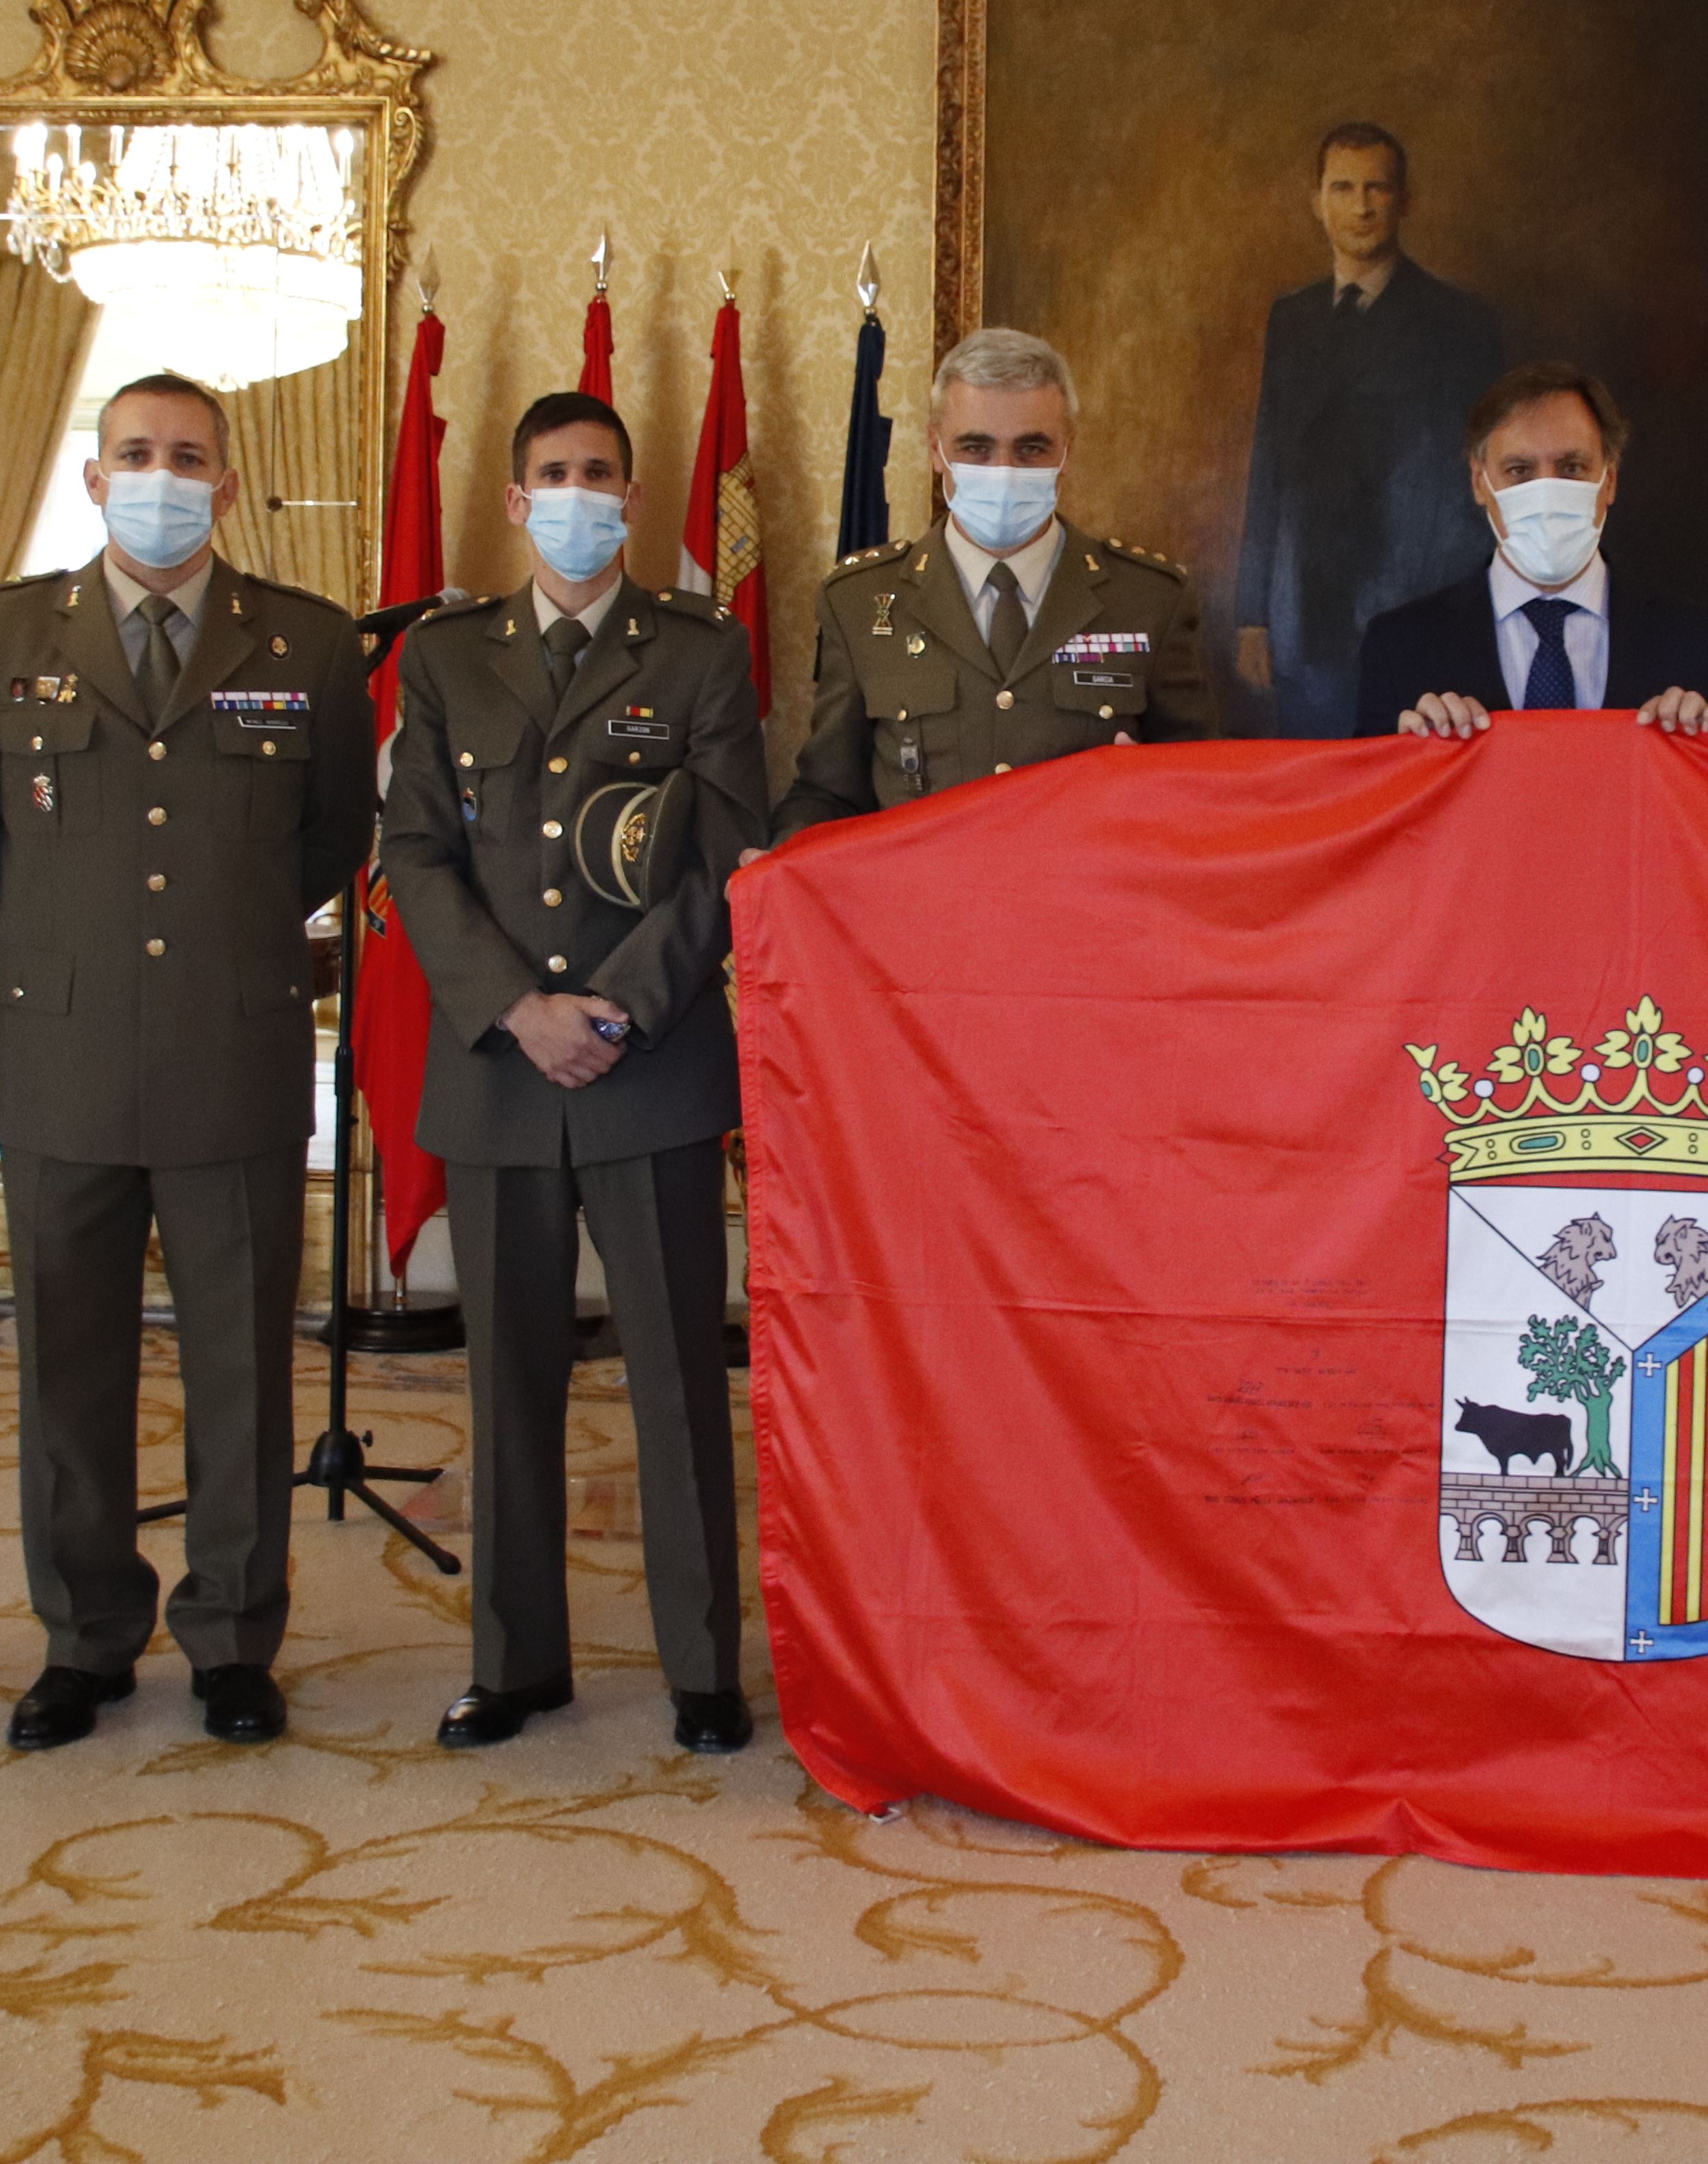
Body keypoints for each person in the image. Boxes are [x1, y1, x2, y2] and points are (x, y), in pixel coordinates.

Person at [0, 373, 373, 1752]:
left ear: (229, 486)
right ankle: (86, 1635)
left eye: (188, 456)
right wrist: (72, 940)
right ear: (94, 476)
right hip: (62, 1047)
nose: (162, 473)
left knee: (242, 1365)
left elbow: (329, 833)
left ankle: (234, 1635)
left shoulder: (302, 641)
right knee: (71, 1364)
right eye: (137, 452)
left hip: (231, 1048)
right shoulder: (5, 630)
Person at [375, 390, 769, 1754]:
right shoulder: (447, 657)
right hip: (497, 1070)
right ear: (512, 497)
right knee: (510, 1383)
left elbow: (730, 856)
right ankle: (516, 1660)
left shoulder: (704, 653)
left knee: (674, 1380)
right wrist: (517, 1009)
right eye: (554, 474)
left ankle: (703, 1666)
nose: (578, 494)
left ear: (634, 494)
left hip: (646, 1068)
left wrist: (614, 1007)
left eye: (600, 474)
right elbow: (414, 855)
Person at [776, 328, 1214, 830]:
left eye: (1031, 449)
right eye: (976, 448)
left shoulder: (1150, 601)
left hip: (1083, 900)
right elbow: (828, 794)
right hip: (925, 903)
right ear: (935, 448)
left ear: (1066, 451)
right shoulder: (858, 603)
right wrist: (782, 864)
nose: (1003, 471)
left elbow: (1200, 790)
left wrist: (1152, 795)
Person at [1231, 123, 1511, 737]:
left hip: (1414, 610)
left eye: (1377, 189)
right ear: (1318, 202)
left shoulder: (1459, 323)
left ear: (1404, 200)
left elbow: (1478, 490)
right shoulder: (1293, 318)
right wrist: (1254, 616)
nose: (1360, 206)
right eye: (1343, 188)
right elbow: (1270, 467)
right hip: (1306, 616)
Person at [1357, 360, 1708, 739]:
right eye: (1519, 471)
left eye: (1572, 468)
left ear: (1609, 481)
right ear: (1479, 482)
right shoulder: (1401, 646)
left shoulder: (1701, 645)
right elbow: (1372, 797)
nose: (1546, 491)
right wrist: (1405, 757)